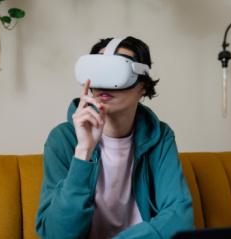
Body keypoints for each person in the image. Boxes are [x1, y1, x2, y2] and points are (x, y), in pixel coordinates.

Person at [35, 36, 194, 239]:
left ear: (142, 85)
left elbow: (179, 218)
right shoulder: (62, 139)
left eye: (116, 72)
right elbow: (56, 235)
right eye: (98, 72)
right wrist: (83, 151)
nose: (105, 83)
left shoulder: (160, 136)